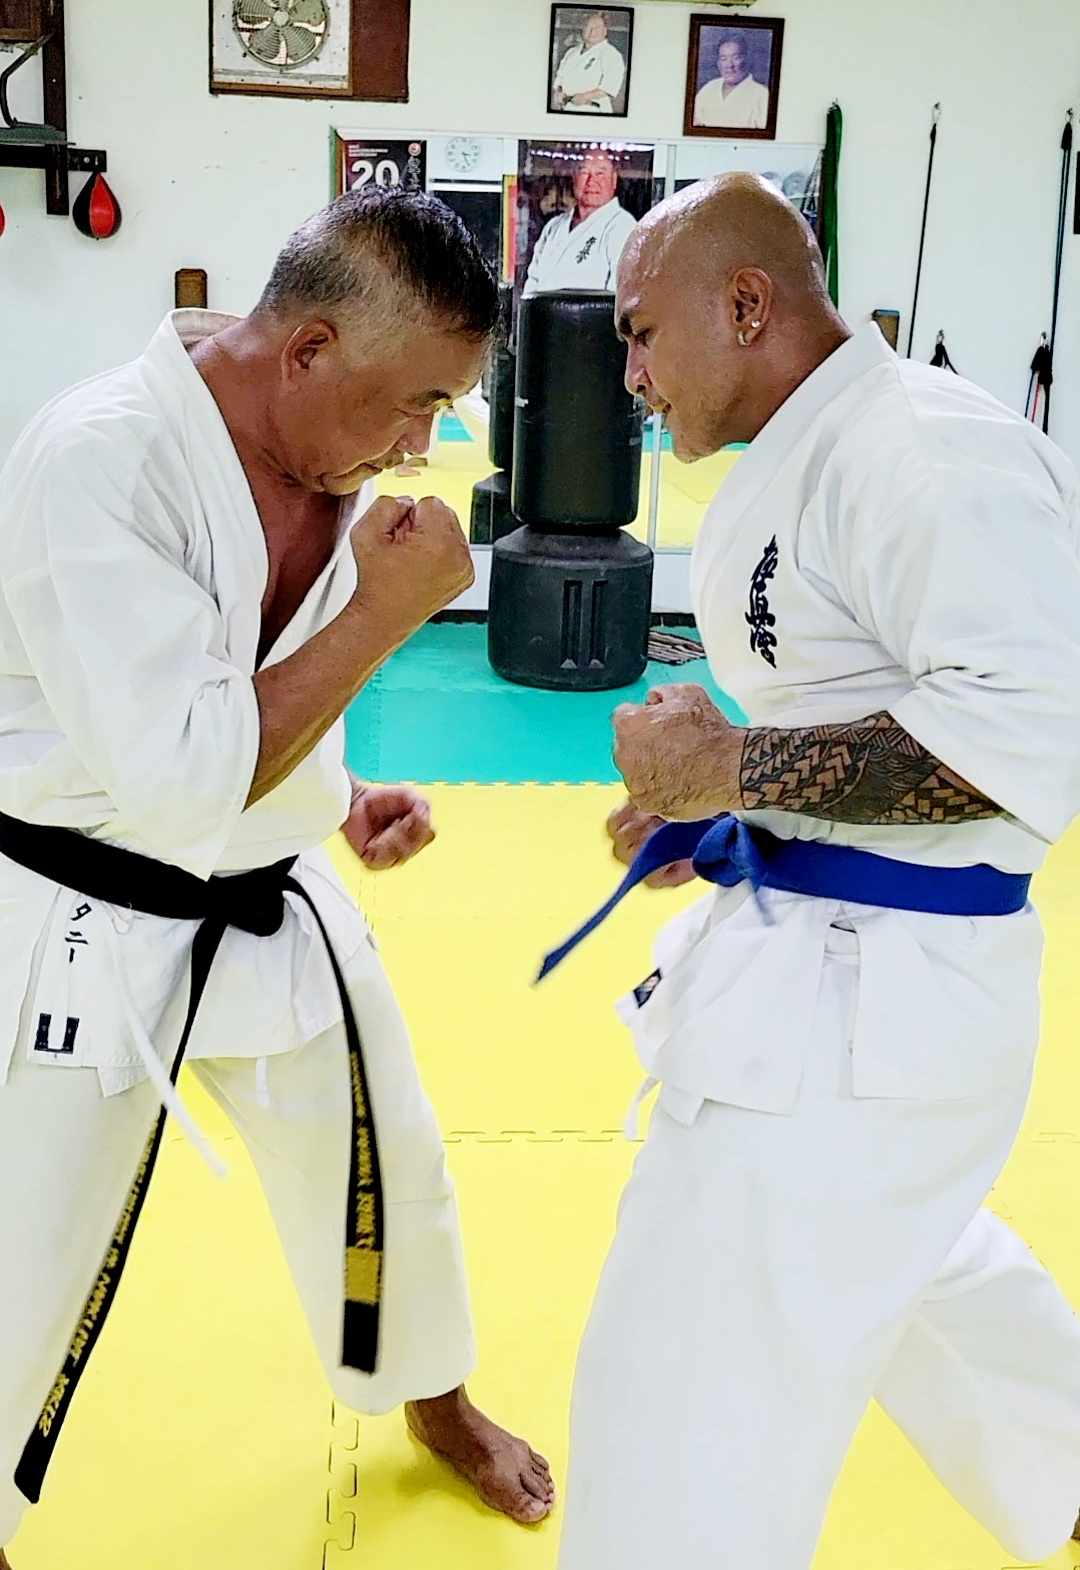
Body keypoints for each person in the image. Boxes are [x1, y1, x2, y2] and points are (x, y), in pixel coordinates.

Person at [0, 188, 554, 1570]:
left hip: (267, 877)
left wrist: (340, 790)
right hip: (85, 909)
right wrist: (381, 616)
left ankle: (434, 1396)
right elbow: (182, 771)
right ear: (308, 348)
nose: (424, 444)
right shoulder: (102, 465)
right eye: (415, 402)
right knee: (24, 1249)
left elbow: (252, 694)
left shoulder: (324, 451)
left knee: (392, 1161)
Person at [554, 172, 1080, 1569]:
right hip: (841, 983)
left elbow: (1018, 750)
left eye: (642, 332)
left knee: (681, 1404)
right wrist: (729, 829)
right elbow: (851, 724)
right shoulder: (820, 448)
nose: (632, 374)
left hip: (869, 1016)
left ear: (747, 305)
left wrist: (731, 772)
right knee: (914, 1269)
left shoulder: (926, 455)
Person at [522, 146, 637, 296]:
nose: (591, 181)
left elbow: (620, 297)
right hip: (543, 317)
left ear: (614, 180)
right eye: (584, 172)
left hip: (588, 318)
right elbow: (533, 281)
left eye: (600, 173)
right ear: (574, 176)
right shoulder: (554, 226)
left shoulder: (623, 226)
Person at [552, 10, 626, 115]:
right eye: (588, 27)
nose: (592, 31)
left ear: (605, 31)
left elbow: (609, 88)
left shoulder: (611, 54)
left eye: (597, 27)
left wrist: (584, 97)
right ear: (583, 29)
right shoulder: (571, 52)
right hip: (567, 108)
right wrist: (558, 92)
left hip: (593, 110)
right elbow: (560, 78)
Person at [694, 30, 771, 130]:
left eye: (736, 57)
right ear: (718, 63)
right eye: (723, 58)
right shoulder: (709, 88)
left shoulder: (762, 95)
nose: (729, 65)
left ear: (747, 59)